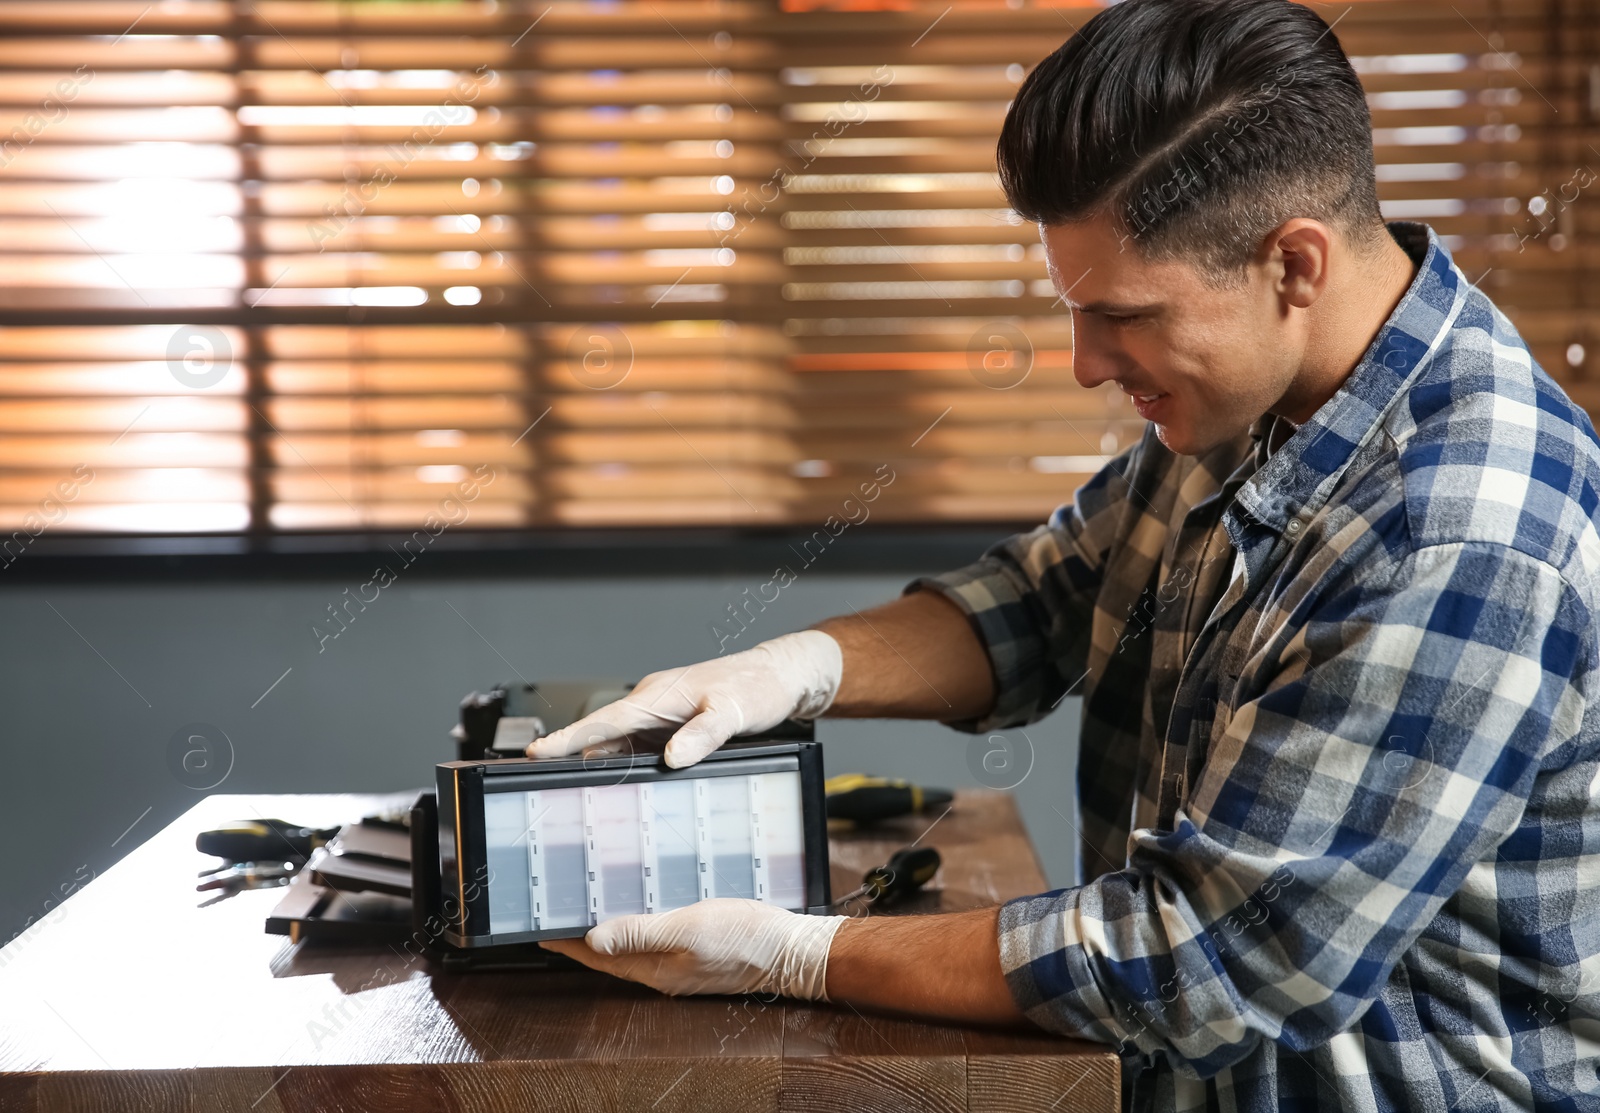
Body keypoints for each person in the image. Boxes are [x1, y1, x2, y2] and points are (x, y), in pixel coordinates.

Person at [533, 0, 1600, 1109]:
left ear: (1293, 264)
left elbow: (1205, 963)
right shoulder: (1252, 394)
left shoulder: (1461, 532)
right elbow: (1035, 606)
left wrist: (793, 954)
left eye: (1123, 315)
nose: (1087, 364)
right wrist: (784, 672)